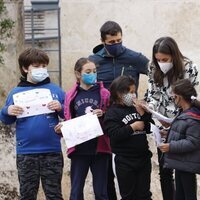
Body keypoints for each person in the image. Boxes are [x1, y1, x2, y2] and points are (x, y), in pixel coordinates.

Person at [89, 20, 149, 200]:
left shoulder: (135, 58)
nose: (116, 45)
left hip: (130, 117)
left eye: (118, 41)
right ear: (102, 40)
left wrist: (146, 101)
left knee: (131, 174)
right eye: (111, 42)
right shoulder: (94, 61)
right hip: (103, 120)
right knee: (106, 170)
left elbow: (156, 77)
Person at [0, 48, 65, 199]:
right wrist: (7, 110)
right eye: (36, 66)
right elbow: (6, 120)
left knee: (54, 195)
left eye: (44, 66)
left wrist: (61, 108)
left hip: (52, 151)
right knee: (27, 195)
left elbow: (69, 115)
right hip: (26, 153)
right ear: (25, 68)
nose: (41, 69)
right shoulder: (15, 93)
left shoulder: (55, 90)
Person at [145, 36, 199, 200]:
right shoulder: (153, 68)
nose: (161, 63)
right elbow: (152, 95)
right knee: (165, 169)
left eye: (165, 59)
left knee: (184, 169)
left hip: (183, 123)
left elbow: (191, 98)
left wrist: (175, 124)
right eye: (158, 59)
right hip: (160, 123)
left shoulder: (189, 68)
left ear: (174, 56)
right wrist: (151, 109)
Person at [55, 57, 111, 200]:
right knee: (76, 191)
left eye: (94, 71)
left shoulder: (104, 94)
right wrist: (62, 129)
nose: (92, 74)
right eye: (88, 71)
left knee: (101, 192)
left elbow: (112, 117)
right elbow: (68, 118)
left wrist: (103, 114)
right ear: (78, 74)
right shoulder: (70, 95)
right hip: (79, 149)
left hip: (100, 149)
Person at [104, 75, 152, 200]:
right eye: (130, 92)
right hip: (125, 161)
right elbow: (113, 134)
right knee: (128, 195)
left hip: (143, 158)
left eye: (134, 91)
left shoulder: (136, 109)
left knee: (144, 195)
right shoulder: (112, 112)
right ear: (120, 94)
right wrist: (132, 127)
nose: (134, 95)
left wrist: (144, 114)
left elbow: (148, 129)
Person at [159, 79, 200, 200]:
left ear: (179, 97)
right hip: (181, 163)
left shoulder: (193, 118)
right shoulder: (183, 113)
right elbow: (181, 134)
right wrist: (167, 134)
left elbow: (193, 142)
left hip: (187, 164)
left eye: (173, 96)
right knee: (179, 196)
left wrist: (170, 146)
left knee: (188, 196)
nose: (172, 98)